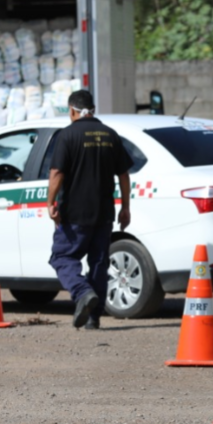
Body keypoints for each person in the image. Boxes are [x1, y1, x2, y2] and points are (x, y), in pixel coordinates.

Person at [47, 90, 133, 329]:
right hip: (104, 213)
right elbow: (124, 174)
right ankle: (93, 318)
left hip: (74, 213)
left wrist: (50, 203)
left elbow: (56, 173)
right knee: (98, 262)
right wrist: (125, 208)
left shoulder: (68, 135)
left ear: (72, 111)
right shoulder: (110, 134)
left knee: (62, 257)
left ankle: (82, 292)